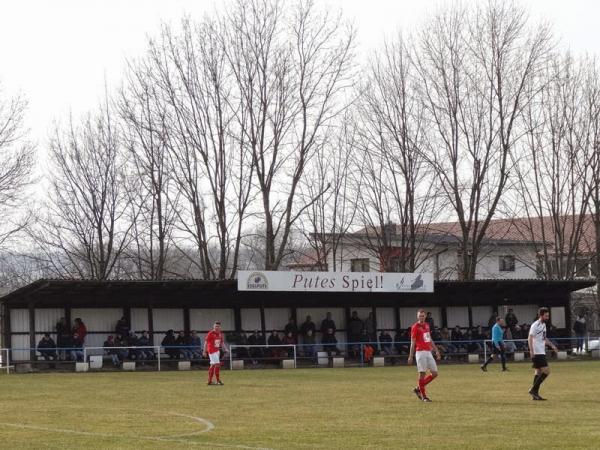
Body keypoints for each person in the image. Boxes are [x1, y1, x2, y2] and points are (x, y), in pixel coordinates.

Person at [408, 308, 441, 402]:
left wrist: (436, 350)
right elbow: (412, 342)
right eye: (419, 316)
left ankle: (418, 388)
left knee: (435, 373)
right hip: (420, 352)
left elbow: (429, 339)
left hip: (428, 352)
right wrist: (410, 355)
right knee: (422, 374)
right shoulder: (415, 327)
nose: (421, 317)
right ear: (417, 316)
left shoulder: (427, 325)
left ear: (425, 316)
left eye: (423, 316)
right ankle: (424, 396)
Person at [527, 307, 559, 401]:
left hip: (541, 351)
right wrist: (531, 351)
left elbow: (544, 338)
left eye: (548, 315)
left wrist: (552, 346)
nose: (548, 317)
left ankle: (535, 395)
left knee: (538, 372)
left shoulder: (544, 325)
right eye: (546, 316)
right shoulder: (535, 325)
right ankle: (533, 390)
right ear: (541, 315)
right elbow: (529, 338)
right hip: (537, 352)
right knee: (547, 371)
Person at [204, 321, 228, 386]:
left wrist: (225, 348)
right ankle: (218, 380)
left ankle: (209, 381)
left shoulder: (220, 334)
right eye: (215, 326)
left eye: (218, 326)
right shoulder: (210, 333)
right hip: (211, 351)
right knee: (217, 364)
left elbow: (222, 342)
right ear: (213, 326)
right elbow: (206, 342)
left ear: (220, 327)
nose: (216, 327)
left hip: (217, 351)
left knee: (212, 365)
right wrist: (204, 351)